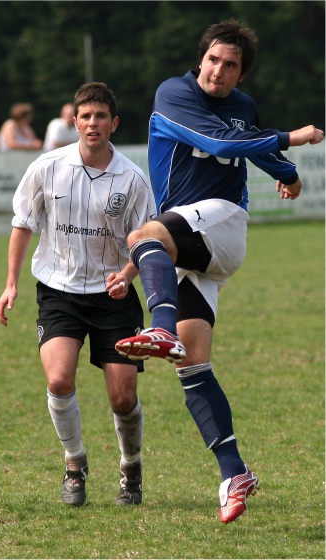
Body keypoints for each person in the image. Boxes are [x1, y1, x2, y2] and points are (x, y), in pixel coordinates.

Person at [115, 19, 325, 524]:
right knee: (194, 366)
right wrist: (293, 147)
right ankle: (235, 473)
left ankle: (159, 327)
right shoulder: (174, 94)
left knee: (144, 235)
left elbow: (250, 141)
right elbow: (231, 145)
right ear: (201, 58)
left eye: (231, 65)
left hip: (222, 223)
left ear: (241, 75)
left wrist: (286, 173)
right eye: (213, 59)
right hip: (198, 249)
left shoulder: (243, 107)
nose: (219, 70)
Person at [0, 82, 156, 507]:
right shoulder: (47, 167)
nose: (92, 123)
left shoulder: (133, 178)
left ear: (114, 123)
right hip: (59, 291)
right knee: (58, 378)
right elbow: (23, 223)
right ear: (74, 122)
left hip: (113, 296)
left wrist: (126, 274)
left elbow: (146, 239)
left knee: (123, 397)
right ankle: (74, 464)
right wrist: (11, 283)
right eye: (85, 116)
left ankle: (131, 467)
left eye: (101, 116)